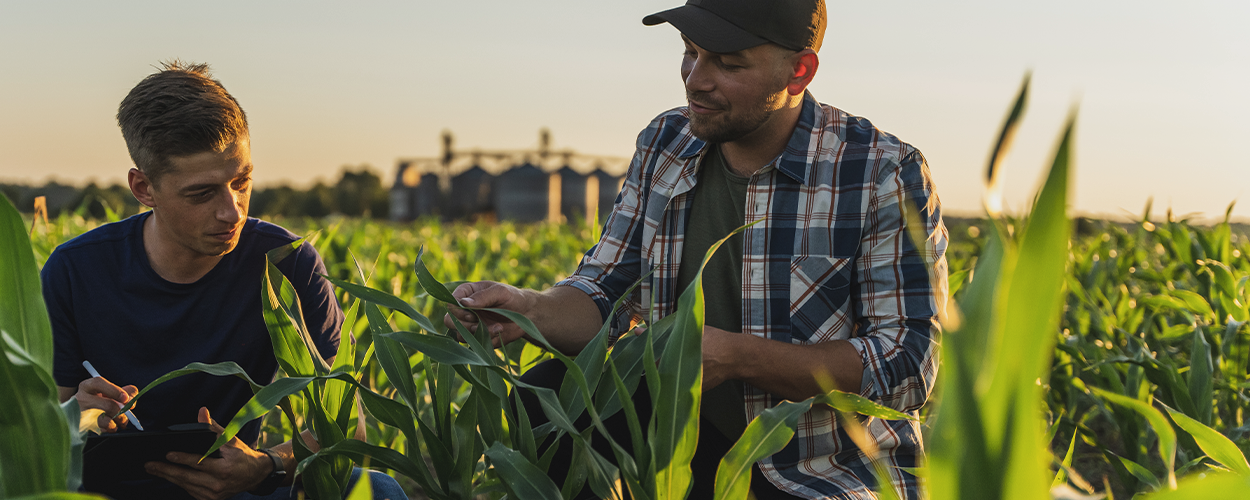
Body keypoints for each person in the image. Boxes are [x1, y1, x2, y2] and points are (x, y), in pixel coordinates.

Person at [444, 1, 948, 499]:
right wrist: (529, 309)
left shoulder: (880, 171)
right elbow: (606, 292)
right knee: (549, 400)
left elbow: (906, 364)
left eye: (728, 64)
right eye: (690, 53)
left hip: (820, 463)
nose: (695, 79)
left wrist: (738, 357)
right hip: (682, 443)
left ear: (799, 71)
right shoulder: (667, 141)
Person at [43, 61, 405, 500]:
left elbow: (347, 425)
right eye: (202, 193)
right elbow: (37, 430)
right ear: (143, 189)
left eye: (242, 181)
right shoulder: (74, 270)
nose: (232, 211)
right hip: (101, 492)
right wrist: (72, 415)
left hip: (235, 491)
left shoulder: (285, 264)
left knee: (376, 491)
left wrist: (267, 465)